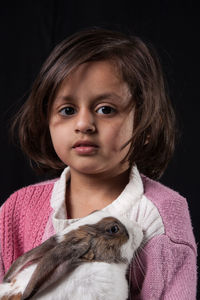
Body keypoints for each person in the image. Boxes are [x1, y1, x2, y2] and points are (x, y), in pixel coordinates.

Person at [0, 28, 197, 299]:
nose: (83, 125)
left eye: (106, 109)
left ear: (145, 124)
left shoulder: (159, 216)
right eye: (67, 110)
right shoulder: (17, 210)